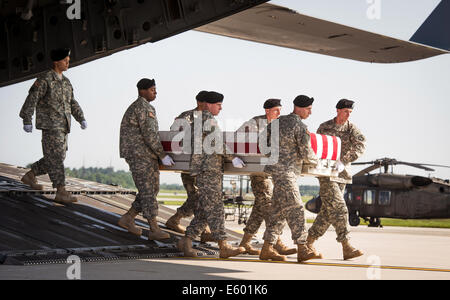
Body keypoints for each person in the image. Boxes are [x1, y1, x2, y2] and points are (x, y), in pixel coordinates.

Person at [177, 91, 247, 259]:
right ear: (208, 105)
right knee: (216, 208)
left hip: (206, 169)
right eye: (218, 105)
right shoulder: (207, 118)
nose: (221, 108)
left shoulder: (197, 119)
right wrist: (233, 158)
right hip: (208, 170)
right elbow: (217, 142)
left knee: (203, 210)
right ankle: (224, 246)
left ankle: (186, 241)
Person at [19, 48, 87, 204]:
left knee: (56, 157)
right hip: (50, 125)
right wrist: (27, 118)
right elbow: (32, 98)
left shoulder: (66, 82)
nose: (68, 62)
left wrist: (81, 118)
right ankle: (61, 191)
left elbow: (72, 102)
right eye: (65, 60)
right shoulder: (45, 79)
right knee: (56, 158)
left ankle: (30, 175)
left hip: (64, 126)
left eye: (68, 59)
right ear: (56, 62)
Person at [259, 95, 319, 262]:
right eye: (308, 109)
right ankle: (302, 247)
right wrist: (317, 161)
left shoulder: (276, 123)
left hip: (276, 171)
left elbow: (261, 141)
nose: (310, 112)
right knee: (297, 208)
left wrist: (271, 156)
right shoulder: (299, 126)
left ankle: (267, 248)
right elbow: (306, 152)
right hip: (286, 173)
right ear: (299, 108)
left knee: (278, 212)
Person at [307, 99, 366, 260]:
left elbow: (361, 146)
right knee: (340, 208)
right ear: (338, 110)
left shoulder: (352, 129)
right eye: (346, 111)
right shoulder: (324, 127)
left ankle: (308, 242)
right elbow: (316, 146)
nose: (348, 115)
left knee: (327, 212)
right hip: (326, 174)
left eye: (350, 112)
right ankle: (346, 246)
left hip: (342, 175)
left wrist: (344, 160)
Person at [236, 99, 296, 256]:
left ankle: (245, 243)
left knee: (259, 209)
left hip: (269, 171)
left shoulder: (278, 126)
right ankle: (276, 242)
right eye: (276, 110)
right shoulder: (255, 123)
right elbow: (235, 138)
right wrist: (235, 157)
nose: (279, 113)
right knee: (268, 205)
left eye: (280, 110)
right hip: (257, 171)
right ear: (267, 110)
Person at [118, 78, 175, 240]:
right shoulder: (144, 108)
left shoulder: (139, 107)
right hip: (140, 155)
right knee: (148, 191)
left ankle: (128, 218)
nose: (155, 92)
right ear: (142, 91)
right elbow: (150, 135)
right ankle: (154, 228)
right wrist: (162, 155)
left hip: (144, 154)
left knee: (151, 189)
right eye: (152, 90)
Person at [165, 91, 211, 238]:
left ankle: (205, 229)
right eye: (207, 103)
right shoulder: (187, 116)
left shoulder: (208, 118)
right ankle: (176, 219)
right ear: (200, 103)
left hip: (201, 162)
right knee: (197, 195)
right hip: (188, 162)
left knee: (200, 195)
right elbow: (174, 133)